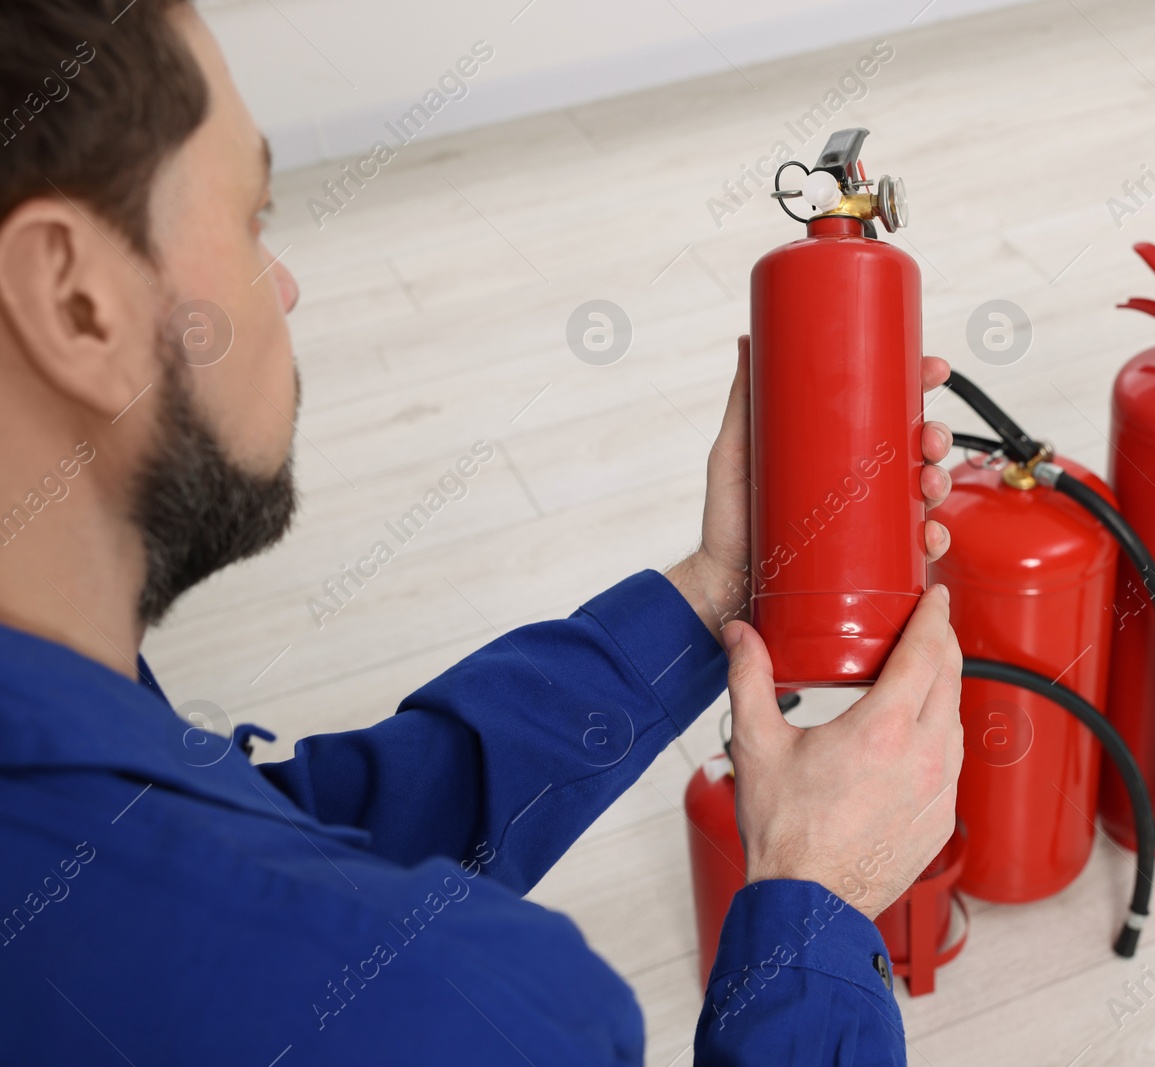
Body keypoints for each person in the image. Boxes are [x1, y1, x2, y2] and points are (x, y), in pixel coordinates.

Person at [0, 2, 963, 1063]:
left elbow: (289, 831)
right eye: (253, 215)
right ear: (72, 296)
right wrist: (818, 903)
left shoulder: (76, 776)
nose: (283, 285)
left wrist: (717, 589)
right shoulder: (465, 1015)